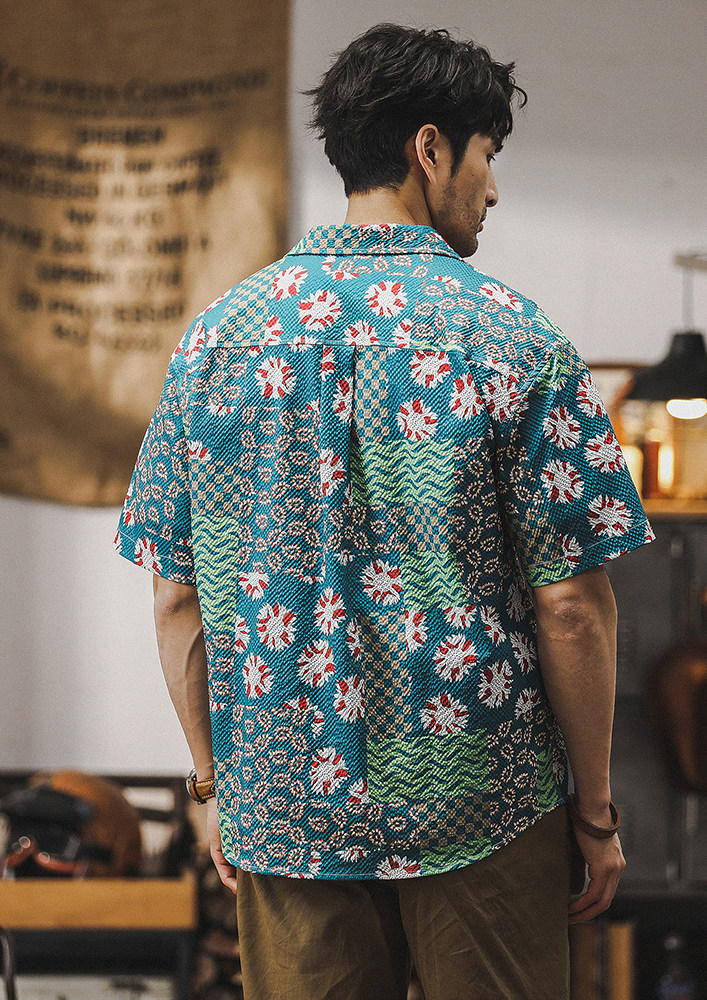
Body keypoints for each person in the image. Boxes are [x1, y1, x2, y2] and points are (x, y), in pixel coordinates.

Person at [115, 22, 653, 999]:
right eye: (487, 156)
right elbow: (573, 605)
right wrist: (596, 811)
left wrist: (213, 783)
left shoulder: (217, 342)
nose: (493, 189)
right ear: (429, 149)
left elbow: (175, 596)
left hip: (286, 800)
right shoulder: (512, 337)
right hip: (482, 795)